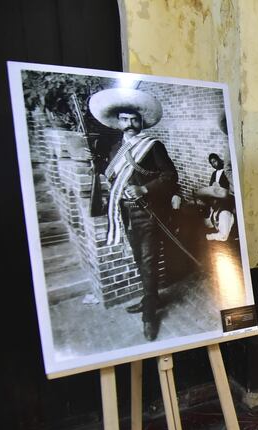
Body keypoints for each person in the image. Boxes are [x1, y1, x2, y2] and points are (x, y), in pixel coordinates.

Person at [89, 88, 179, 340]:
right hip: (125, 214)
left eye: (134, 119)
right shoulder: (115, 148)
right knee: (140, 260)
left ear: (141, 122)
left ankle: (149, 314)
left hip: (148, 213)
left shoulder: (152, 146)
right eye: (124, 119)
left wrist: (144, 188)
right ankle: (151, 298)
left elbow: (170, 176)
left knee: (149, 260)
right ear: (118, 122)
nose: (129, 124)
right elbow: (112, 177)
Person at [194, 153, 235, 241]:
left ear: (219, 160)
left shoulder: (226, 172)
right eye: (211, 163)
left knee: (223, 215)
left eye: (215, 161)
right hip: (216, 201)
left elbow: (229, 188)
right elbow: (211, 188)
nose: (214, 164)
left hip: (225, 199)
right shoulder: (214, 174)